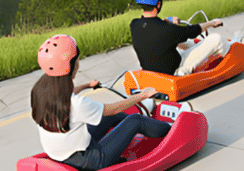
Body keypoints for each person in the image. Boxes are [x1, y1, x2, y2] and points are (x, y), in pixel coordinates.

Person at [31, 34, 184, 170]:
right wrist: (143, 95)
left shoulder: (41, 90)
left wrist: (86, 86)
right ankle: (172, 130)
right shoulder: (77, 104)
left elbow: (65, 95)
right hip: (91, 161)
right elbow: (115, 108)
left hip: (66, 154)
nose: (79, 60)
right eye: (77, 57)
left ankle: (147, 124)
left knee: (108, 118)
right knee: (134, 120)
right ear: (71, 64)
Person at [130, 0, 228, 76]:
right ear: (158, 4)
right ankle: (226, 57)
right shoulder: (169, 30)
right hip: (176, 70)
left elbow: (153, 28)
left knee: (185, 43)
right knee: (216, 38)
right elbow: (193, 31)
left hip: (153, 71)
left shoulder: (134, 25)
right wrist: (211, 23)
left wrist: (168, 22)